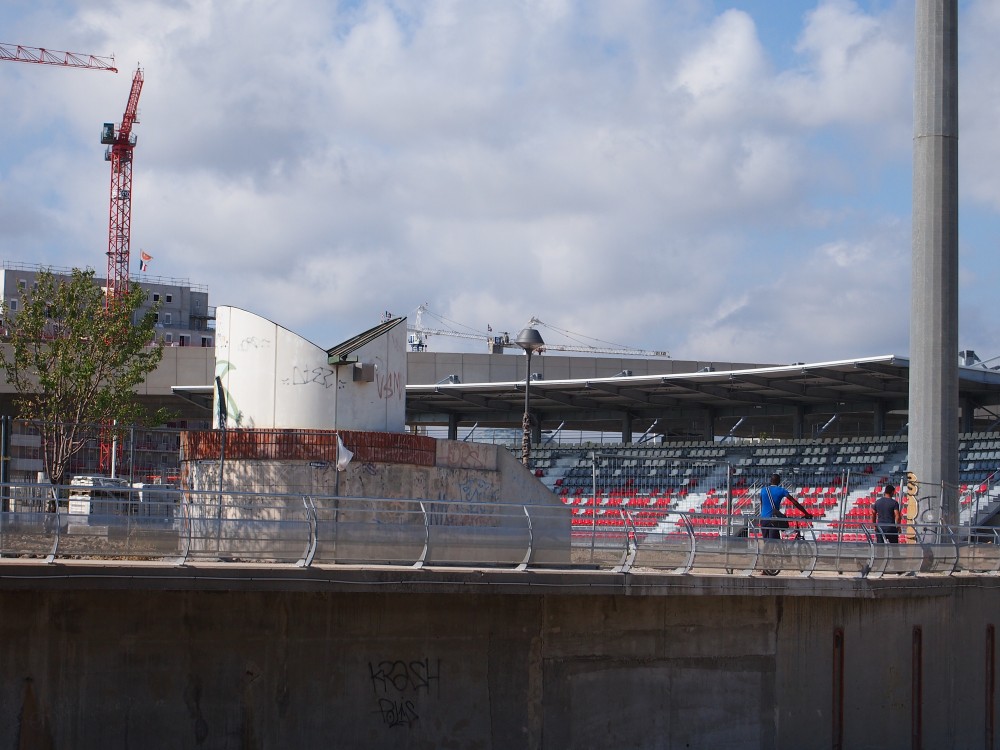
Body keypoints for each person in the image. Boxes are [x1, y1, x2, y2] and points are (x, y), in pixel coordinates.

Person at [760, 473, 812, 540]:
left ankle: (766, 549)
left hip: (763, 519)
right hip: (773, 519)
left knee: (766, 541)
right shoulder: (781, 490)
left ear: (770, 481)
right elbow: (795, 502)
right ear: (779, 481)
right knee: (773, 542)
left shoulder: (763, 490)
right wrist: (806, 513)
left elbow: (762, 503)